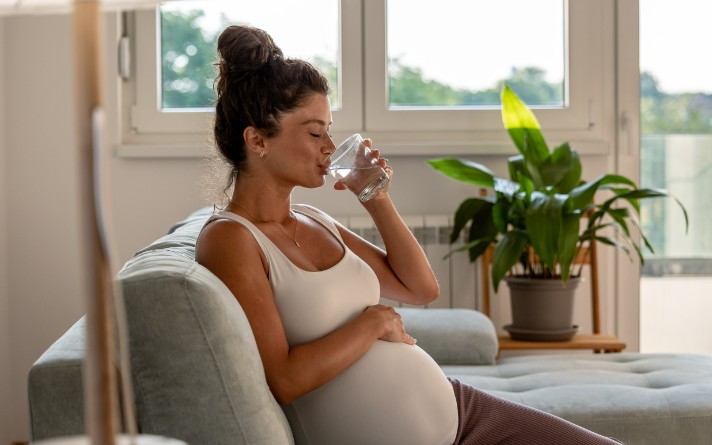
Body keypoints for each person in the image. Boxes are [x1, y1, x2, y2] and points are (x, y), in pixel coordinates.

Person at [195, 24, 623, 445]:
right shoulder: (231, 239)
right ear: (257, 140)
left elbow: (420, 289)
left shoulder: (314, 218)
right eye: (314, 132)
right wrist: (374, 321)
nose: (330, 146)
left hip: (461, 410)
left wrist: (376, 197)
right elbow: (284, 379)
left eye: (329, 129)